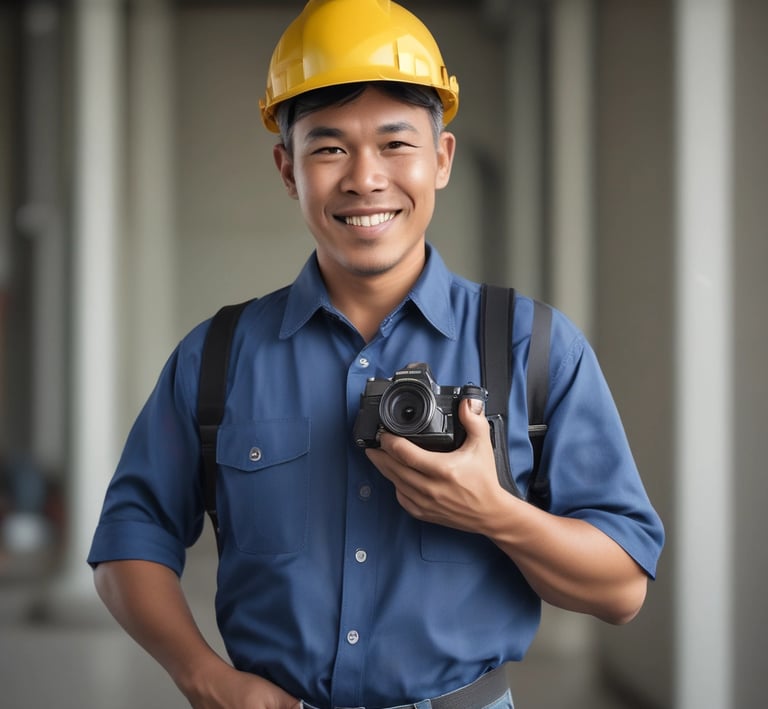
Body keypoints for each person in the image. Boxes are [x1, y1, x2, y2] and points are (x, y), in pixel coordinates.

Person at [88, 1, 664, 708]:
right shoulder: (218, 356)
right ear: (287, 169)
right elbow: (127, 538)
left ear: (442, 159)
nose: (365, 177)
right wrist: (203, 675)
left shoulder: (531, 348)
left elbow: (622, 589)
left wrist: (493, 510)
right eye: (329, 148)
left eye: (396, 144)